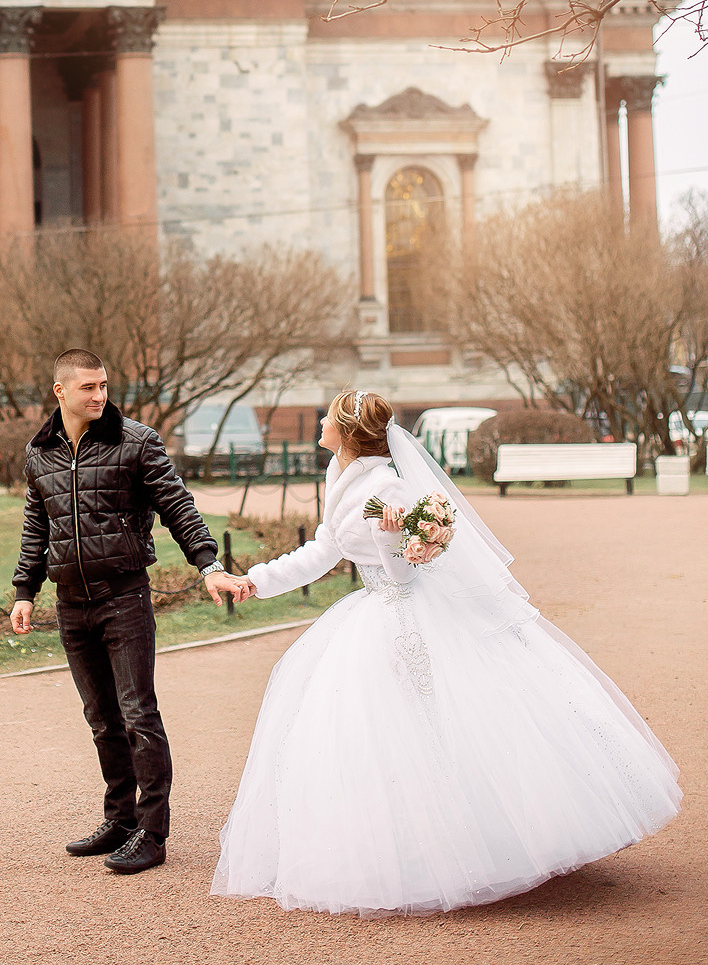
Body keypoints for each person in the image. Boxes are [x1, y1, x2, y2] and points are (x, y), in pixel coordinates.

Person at [212, 390, 681, 916]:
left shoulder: (385, 485)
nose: (320, 420)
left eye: (328, 415)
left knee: (435, 725)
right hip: (373, 610)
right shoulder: (338, 474)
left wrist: (392, 540)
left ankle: (482, 848)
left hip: (409, 612)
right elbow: (324, 548)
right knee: (382, 735)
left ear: (345, 430)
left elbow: (406, 573)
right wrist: (255, 580)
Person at [11, 349, 243, 876]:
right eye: (88, 387)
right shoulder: (39, 452)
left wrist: (208, 565)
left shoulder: (136, 442)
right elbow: (36, 525)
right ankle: (118, 819)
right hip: (71, 603)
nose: (99, 395)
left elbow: (177, 504)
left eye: (104, 385)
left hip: (124, 598)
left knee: (139, 714)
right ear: (60, 391)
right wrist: (24, 590)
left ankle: (151, 832)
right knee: (101, 720)